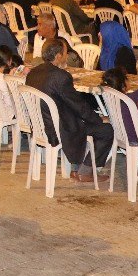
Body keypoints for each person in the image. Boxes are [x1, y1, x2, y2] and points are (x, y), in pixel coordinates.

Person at [25, 38, 113, 183]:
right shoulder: (61, 77)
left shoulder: (33, 73)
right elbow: (79, 106)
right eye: (65, 53)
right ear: (59, 56)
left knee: (77, 118)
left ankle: (75, 168)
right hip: (60, 129)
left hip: (40, 124)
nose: (67, 56)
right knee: (106, 130)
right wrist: (98, 119)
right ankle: (85, 171)